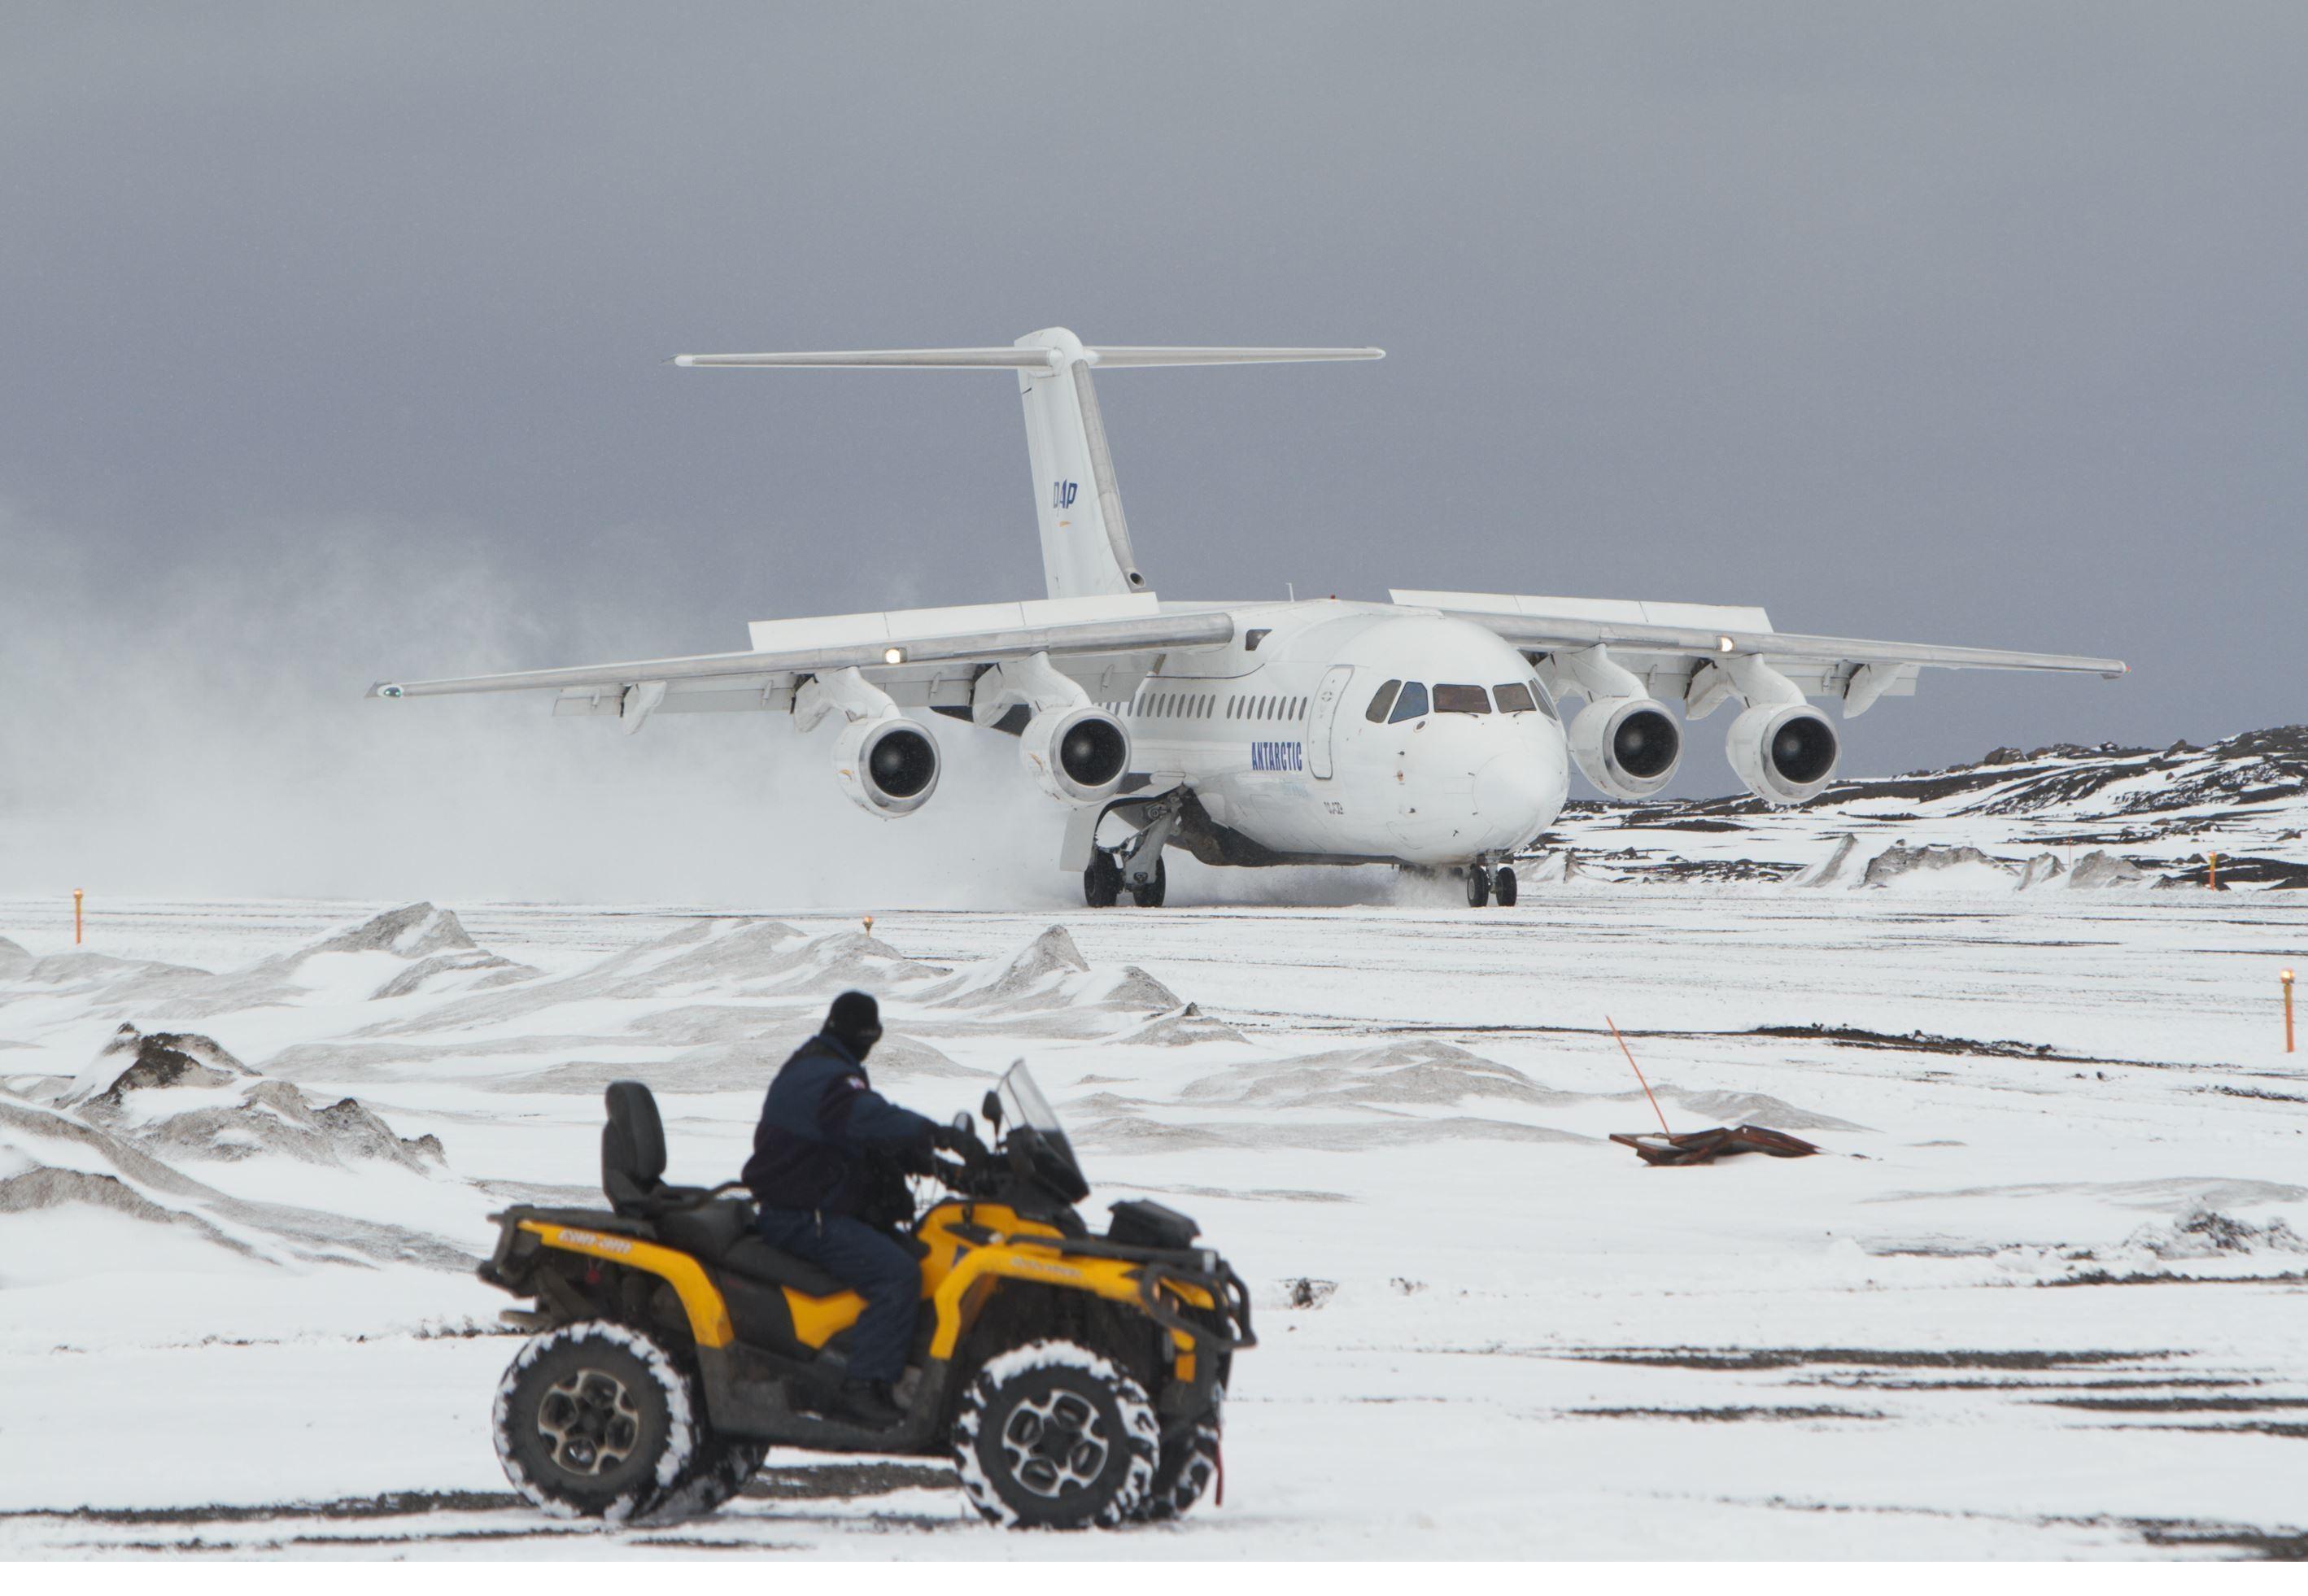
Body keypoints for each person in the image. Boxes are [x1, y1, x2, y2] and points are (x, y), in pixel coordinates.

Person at [741, 991, 975, 1428]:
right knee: (896, 1275)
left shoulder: (827, 1067)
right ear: (860, 1036)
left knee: (916, 1255)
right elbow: (868, 1118)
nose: (870, 1044)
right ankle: (862, 1387)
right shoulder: (823, 1076)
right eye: (870, 1037)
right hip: (801, 1216)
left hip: (816, 1208)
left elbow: (859, 1138)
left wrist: (934, 1165)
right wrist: (938, 1133)